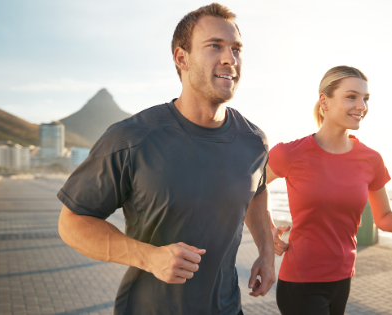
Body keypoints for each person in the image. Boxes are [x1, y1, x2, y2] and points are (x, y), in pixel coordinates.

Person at [56, 3, 275, 314]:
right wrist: (149, 257)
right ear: (181, 58)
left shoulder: (254, 141)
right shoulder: (131, 138)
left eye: (236, 48)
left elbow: (257, 193)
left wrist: (266, 252)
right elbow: (72, 223)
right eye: (215, 46)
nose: (231, 59)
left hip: (228, 308)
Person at [267, 66, 392, 315]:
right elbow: (249, 189)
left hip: (342, 279)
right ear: (324, 100)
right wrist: (266, 229)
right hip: (301, 282)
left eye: (365, 99)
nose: (362, 106)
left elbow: (385, 219)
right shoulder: (289, 153)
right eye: (351, 96)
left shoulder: (371, 159)